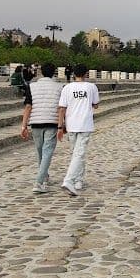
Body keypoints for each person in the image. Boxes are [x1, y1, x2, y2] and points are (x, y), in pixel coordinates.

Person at [19, 63, 64, 193]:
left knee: (40, 151)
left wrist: (24, 125)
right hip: (52, 122)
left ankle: (43, 176)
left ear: (41, 72)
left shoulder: (32, 87)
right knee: (47, 152)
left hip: (36, 122)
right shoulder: (59, 87)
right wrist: (61, 125)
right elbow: (61, 108)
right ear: (53, 73)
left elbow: (28, 107)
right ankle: (39, 182)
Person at [58, 64, 100, 196]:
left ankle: (78, 180)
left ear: (73, 73)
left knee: (78, 153)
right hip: (82, 124)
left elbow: (62, 109)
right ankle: (70, 180)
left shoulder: (67, 88)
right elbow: (96, 104)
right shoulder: (91, 87)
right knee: (78, 153)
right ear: (86, 73)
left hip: (73, 124)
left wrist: (60, 125)